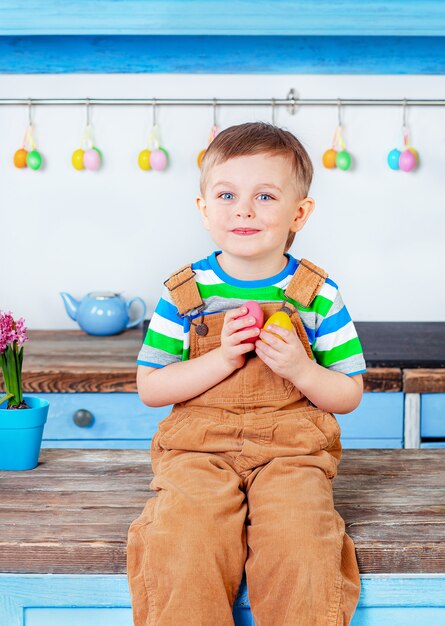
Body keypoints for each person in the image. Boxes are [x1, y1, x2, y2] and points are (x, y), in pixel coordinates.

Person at [127, 121, 366, 626]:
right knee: (183, 542)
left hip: (292, 455)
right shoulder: (184, 294)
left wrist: (301, 369)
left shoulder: (317, 295)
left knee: (302, 544)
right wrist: (220, 359)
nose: (244, 209)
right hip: (198, 451)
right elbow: (151, 386)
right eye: (227, 194)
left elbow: (347, 393)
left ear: (299, 212)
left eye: (264, 195)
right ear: (203, 208)